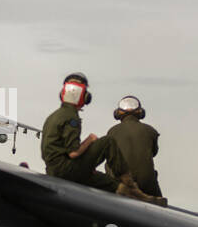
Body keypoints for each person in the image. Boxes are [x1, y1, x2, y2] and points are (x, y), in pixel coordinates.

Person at [40, 73, 163, 204]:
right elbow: (73, 152)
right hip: (66, 170)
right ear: (85, 97)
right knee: (107, 142)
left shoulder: (53, 116)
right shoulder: (72, 117)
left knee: (105, 180)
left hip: (53, 170)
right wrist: (90, 140)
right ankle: (131, 187)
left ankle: (127, 191)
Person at [105, 95, 164, 200]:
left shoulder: (112, 131)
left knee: (108, 164)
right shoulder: (150, 131)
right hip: (146, 184)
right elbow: (153, 153)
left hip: (120, 183)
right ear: (141, 113)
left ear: (118, 114)